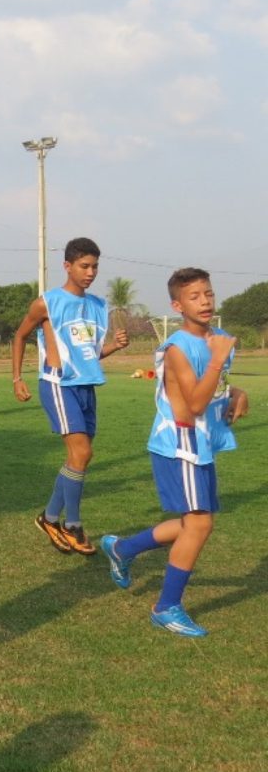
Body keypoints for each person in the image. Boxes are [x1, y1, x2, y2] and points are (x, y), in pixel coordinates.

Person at [99, 268, 247, 637]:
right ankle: (166, 607)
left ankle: (122, 548)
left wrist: (238, 394)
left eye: (208, 294)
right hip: (179, 444)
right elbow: (193, 404)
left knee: (190, 525)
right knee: (200, 524)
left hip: (201, 445)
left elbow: (216, 387)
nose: (205, 301)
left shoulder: (219, 339)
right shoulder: (178, 348)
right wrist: (216, 359)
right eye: (195, 296)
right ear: (176, 305)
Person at [12, 237, 129, 556]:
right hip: (58, 384)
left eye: (94, 267)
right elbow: (20, 336)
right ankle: (72, 525)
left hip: (87, 385)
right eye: (84, 266)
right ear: (68, 266)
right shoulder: (47, 303)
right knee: (82, 453)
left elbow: (90, 355)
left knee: (79, 457)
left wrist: (114, 347)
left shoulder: (98, 306)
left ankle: (49, 517)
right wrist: (17, 377)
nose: (90, 272)